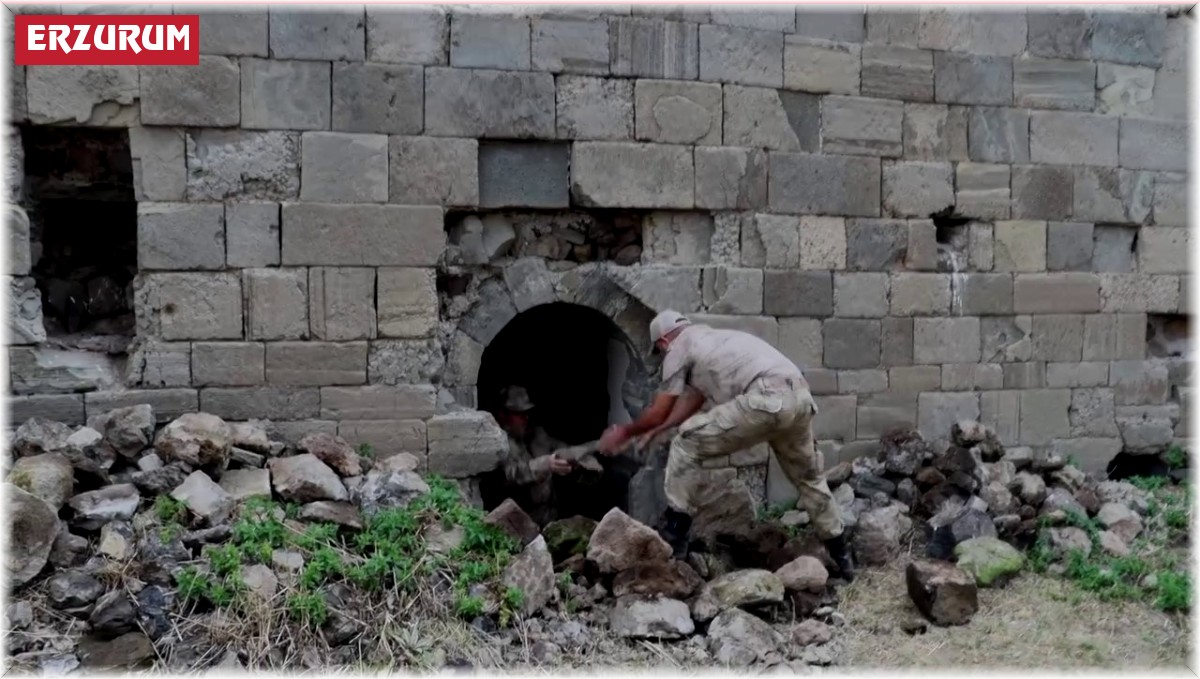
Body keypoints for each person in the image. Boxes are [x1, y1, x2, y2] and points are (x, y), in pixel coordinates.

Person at [597, 310, 855, 581]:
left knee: (686, 442)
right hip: (799, 398)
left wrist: (625, 432)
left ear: (662, 341)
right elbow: (693, 400)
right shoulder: (712, 341)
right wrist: (656, 430)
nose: (662, 355)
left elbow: (662, 408)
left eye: (659, 351)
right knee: (810, 480)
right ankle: (843, 558)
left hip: (766, 400)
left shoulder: (678, 347)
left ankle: (675, 535)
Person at [494, 385, 575, 525]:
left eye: (527, 413)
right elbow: (511, 475)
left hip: (549, 520)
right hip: (520, 526)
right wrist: (545, 464)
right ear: (503, 415)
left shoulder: (534, 434)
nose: (525, 418)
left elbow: (557, 445)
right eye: (519, 414)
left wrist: (576, 456)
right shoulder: (497, 444)